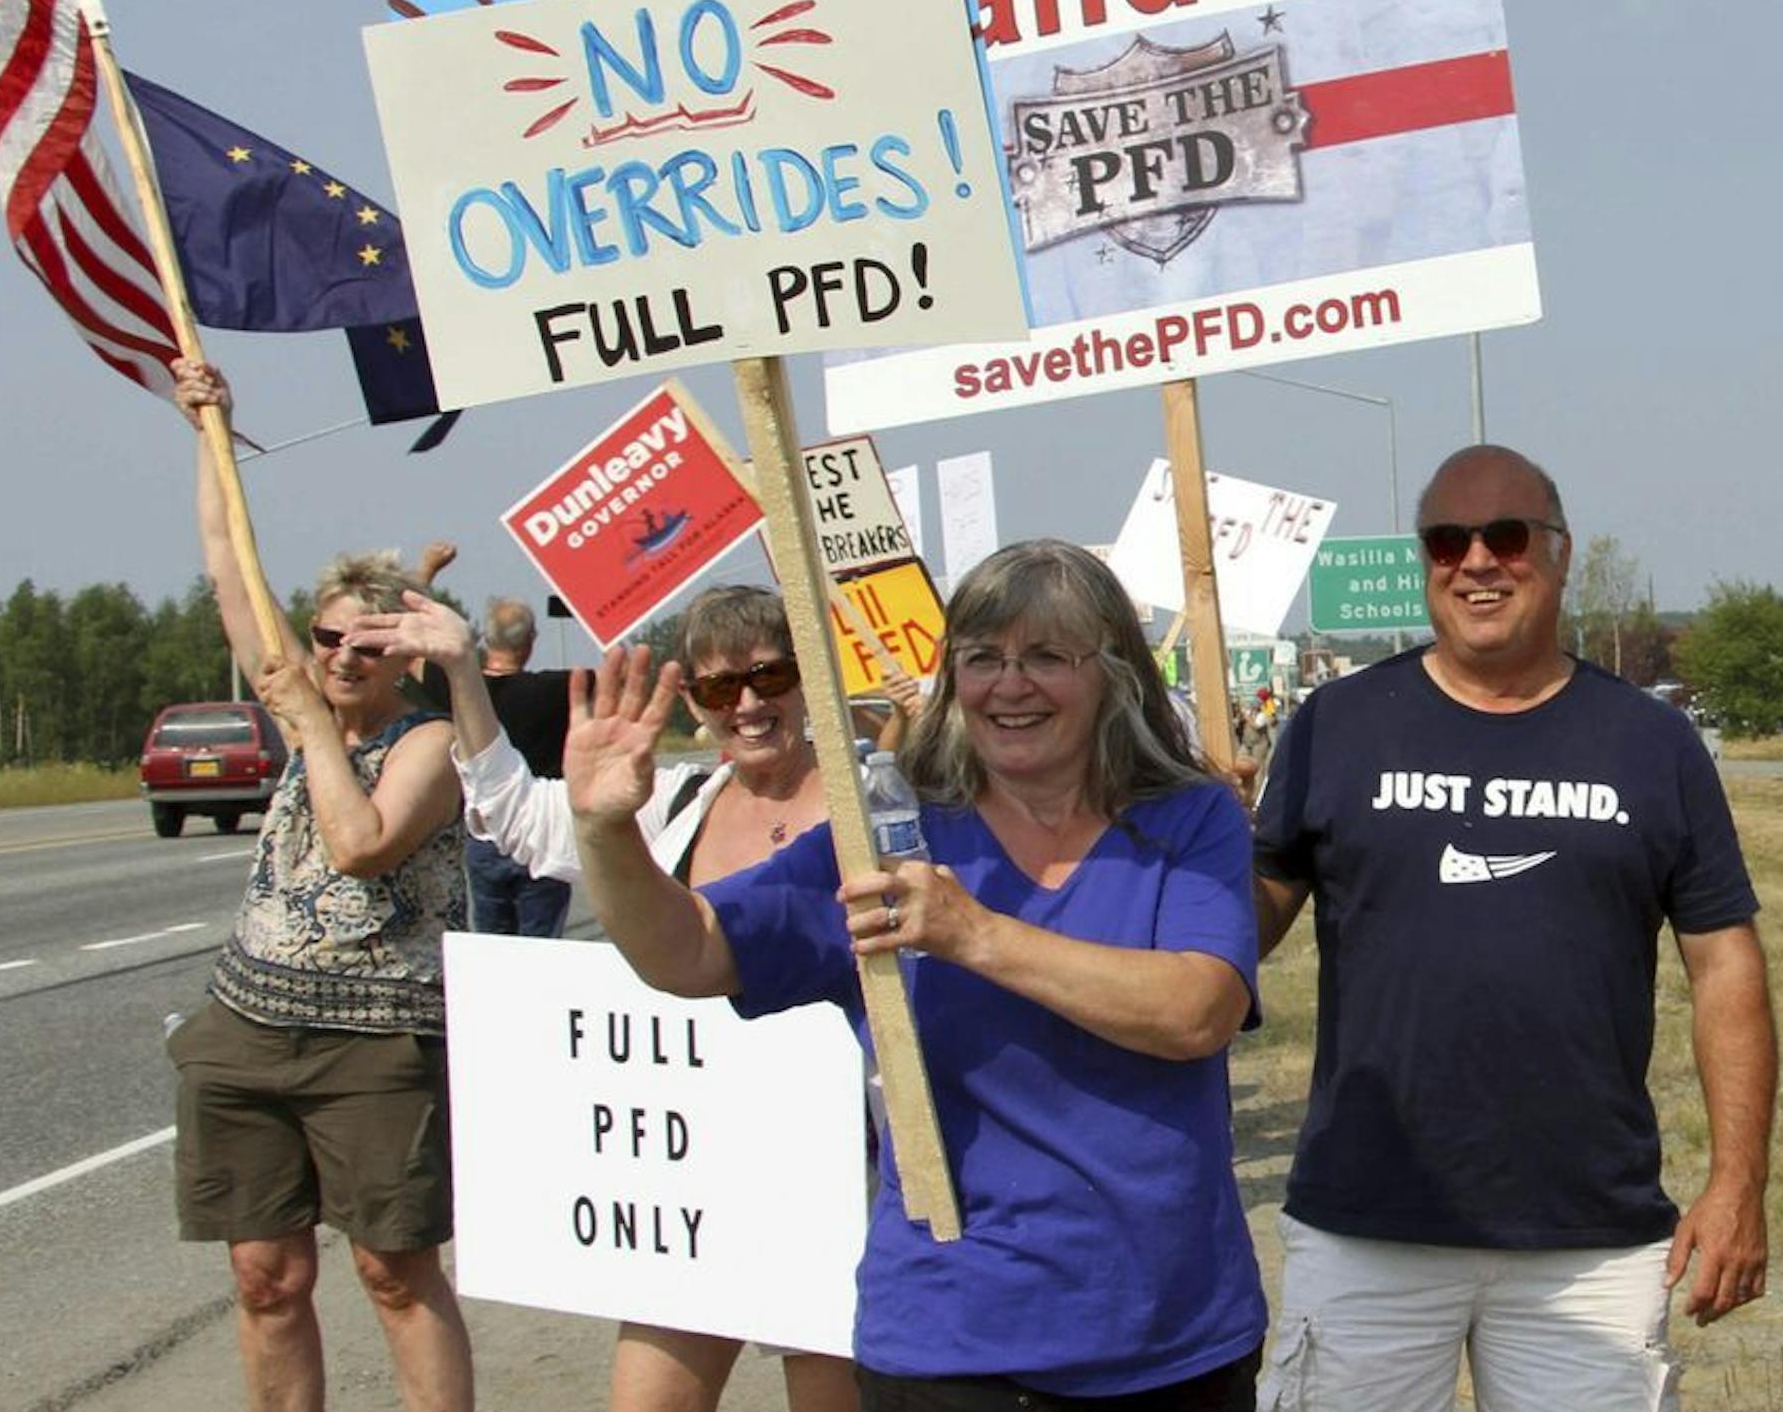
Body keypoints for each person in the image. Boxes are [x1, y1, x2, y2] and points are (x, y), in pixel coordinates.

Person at [544, 541, 1267, 1409]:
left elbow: (1197, 1010)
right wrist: (604, 832)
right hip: (949, 1337)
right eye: (982, 659)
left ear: (1113, 671)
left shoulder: (1188, 819)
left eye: (1046, 657)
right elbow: (688, 952)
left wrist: (978, 936)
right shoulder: (889, 830)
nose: (1010, 686)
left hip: (1166, 1336)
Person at [1251, 445, 1776, 1411]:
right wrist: (1189, 837)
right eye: (1448, 540)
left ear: (1561, 553)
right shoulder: (1335, 724)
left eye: (1506, 536)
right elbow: (1244, 932)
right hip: (1368, 1227)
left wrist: (1739, 1184)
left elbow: (1725, 966)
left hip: (1588, 1242)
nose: (1477, 561)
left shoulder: (1649, 744)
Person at [350, 583, 861, 1412]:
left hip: (840, 1180)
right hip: (695, 1171)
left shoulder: (876, 801)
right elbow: (518, 818)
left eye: (770, 678)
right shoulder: (673, 805)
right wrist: (461, 674)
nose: (751, 706)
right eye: (722, 688)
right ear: (694, 701)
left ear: (808, 677)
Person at [162, 359, 473, 1412]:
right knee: (265, 1276)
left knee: (394, 1272)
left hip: (376, 1046)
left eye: (366, 642)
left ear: (403, 654)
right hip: (248, 1026)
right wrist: (214, 428)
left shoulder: (428, 744)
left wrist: (306, 724)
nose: (338, 655)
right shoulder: (296, 690)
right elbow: (223, 563)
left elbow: (362, 844)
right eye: (326, 634)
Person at [465, 596, 576, 938]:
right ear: (529, 642)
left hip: (485, 831)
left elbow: (411, 660)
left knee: (490, 948)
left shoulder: (466, 693)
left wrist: (426, 571)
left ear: (487, 640)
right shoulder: (557, 689)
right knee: (541, 949)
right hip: (541, 833)